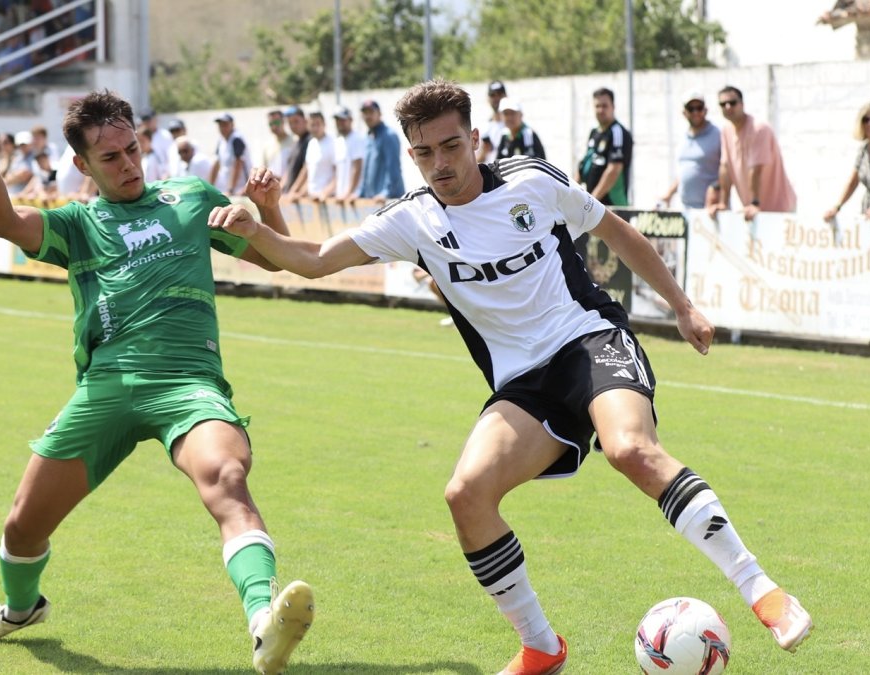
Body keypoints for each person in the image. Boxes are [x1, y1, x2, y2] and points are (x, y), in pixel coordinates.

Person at [209, 79, 812, 675]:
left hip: (589, 340)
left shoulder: (531, 180)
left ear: (475, 138)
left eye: (450, 146)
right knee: (465, 495)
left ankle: (763, 591)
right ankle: (540, 646)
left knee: (630, 449)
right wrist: (259, 229)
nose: (440, 164)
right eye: (424, 152)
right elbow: (313, 261)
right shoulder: (410, 220)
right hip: (524, 384)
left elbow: (617, 232)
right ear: (410, 153)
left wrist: (682, 306)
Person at [0, 90, 314, 675]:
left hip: (189, 381)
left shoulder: (191, 197)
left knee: (227, 476)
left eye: (132, 149)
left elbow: (278, 258)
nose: (128, 165)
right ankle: (20, 609)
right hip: (108, 386)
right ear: (82, 166)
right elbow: (3, 223)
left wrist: (268, 209)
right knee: (22, 524)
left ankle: (263, 621)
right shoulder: (79, 224)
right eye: (110, 158)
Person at [709, 85, 796, 221]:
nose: (728, 107)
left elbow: (755, 169)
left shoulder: (759, 128)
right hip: (753, 212)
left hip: (778, 209)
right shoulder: (726, 131)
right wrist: (723, 203)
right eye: (723, 104)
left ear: (742, 104)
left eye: (732, 103)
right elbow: (725, 168)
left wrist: (754, 203)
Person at [659, 92, 721, 209]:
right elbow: (685, 171)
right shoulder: (683, 137)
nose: (695, 112)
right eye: (691, 108)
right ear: (684, 112)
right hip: (686, 208)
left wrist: (716, 187)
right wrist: (668, 194)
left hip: (711, 210)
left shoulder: (718, 134)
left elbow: (729, 170)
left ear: (706, 110)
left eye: (699, 108)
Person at [575, 87, 632, 206]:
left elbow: (613, 170)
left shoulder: (617, 132)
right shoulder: (594, 133)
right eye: (597, 106)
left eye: (605, 106)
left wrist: (591, 201)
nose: (601, 110)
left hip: (612, 207)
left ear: (613, 107)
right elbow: (584, 165)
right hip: (594, 207)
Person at [358, 99, 405, 203]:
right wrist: (359, 194)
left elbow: (394, 169)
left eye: (371, 112)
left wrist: (386, 193)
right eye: (365, 113)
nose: (368, 116)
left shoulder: (389, 135)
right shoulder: (369, 137)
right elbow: (365, 172)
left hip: (388, 201)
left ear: (379, 114)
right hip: (373, 201)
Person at [286, 111, 336, 202]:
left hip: (328, 198)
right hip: (312, 198)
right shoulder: (312, 143)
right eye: (312, 125)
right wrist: (297, 192)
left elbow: (338, 174)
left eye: (318, 124)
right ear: (308, 126)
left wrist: (325, 193)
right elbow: (308, 171)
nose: (315, 128)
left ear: (324, 124)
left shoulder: (334, 143)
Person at [210, 112, 252, 196]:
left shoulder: (237, 139)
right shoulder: (221, 141)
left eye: (225, 124)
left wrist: (230, 189)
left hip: (241, 189)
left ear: (232, 124)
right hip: (229, 188)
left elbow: (238, 164)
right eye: (220, 125)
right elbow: (216, 164)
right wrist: (209, 187)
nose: (222, 127)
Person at [333, 106, 366, 203]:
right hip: (341, 197)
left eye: (343, 120)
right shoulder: (338, 141)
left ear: (351, 120)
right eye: (337, 120)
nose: (340, 123)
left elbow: (357, 168)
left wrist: (348, 193)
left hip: (353, 198)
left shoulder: (357, 139)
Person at [478, 80, 508, 162]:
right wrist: (484, 152)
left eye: (500, 94)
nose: (496, 98)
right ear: (488, 98)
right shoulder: (483, 128)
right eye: (492, 95)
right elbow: (474, 163)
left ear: (506, 96)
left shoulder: (513, 125)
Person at [261, 108, 295, 182]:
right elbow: (264, 168)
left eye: (276, 122)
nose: (274, 127)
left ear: (283, 122)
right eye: (271, 124)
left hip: (290, 188)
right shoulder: (267, 146)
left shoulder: (295, 141)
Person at [282, 106, 310, 191]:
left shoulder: (310, 141)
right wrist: (280, 189)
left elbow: (307, 169)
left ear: (305, 120)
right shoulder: (296, 143)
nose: (293, 126)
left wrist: (293, 191)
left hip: (299, 197)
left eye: (296, 121)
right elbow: (289, 170)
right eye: (290, 123)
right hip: (289, 196)